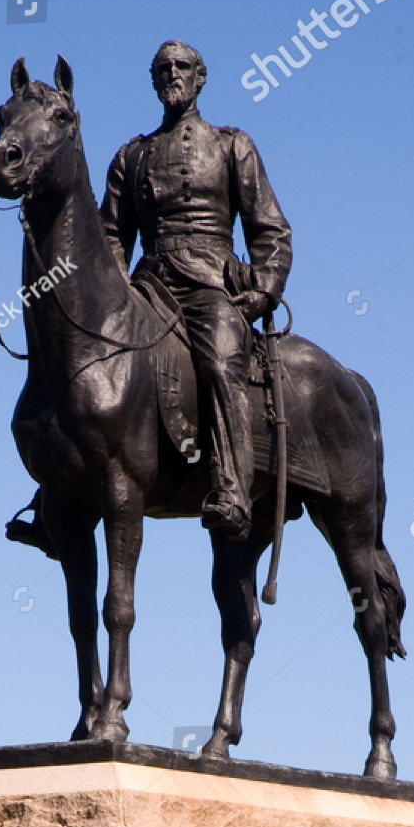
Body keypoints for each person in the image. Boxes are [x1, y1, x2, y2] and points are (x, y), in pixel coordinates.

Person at [100, 40, 292, 542]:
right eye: (162, 69)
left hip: (210, 286)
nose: (172, 75)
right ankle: (58, 488)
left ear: (201, 77)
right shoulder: (131, 156)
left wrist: (266, 288)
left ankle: (231, 488)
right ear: (153, 80)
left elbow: (270, 230)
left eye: (182, 67)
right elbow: (110, 235)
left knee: (223, 357)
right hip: (148, 287)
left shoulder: (233, 145)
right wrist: (116, 285)